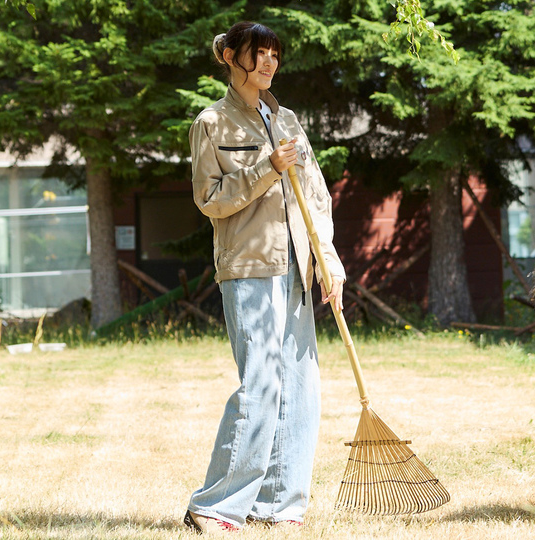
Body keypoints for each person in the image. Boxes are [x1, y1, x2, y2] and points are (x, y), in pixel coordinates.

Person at [183, 21, 346, 533]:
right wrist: (267, 168)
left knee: (300, 387)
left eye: (276, 53)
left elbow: (314, 194)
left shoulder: (287, 119)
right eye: (260, 53)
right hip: (249, 268)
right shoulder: (211, 123)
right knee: (260, 384)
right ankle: (213, 506)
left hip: (298, 264)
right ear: (232, 56)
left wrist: (329, 260)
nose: (270, 62)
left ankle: (279, 505)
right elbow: (210, 200)